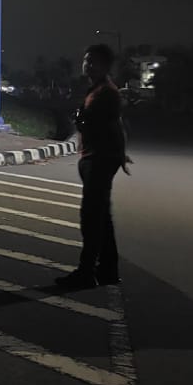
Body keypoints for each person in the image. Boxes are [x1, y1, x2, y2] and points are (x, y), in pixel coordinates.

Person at [56, 43, 132, 290]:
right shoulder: (97, 89)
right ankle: (108, 270)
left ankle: (86, 272)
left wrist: (81, 120)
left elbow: (109, 125)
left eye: (93, 61)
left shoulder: (106, 93)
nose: (87, 64)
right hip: (96, 157)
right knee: (102, 218)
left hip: (98, 159)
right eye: (86, 60)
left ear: (105, 66)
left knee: (90, 219)